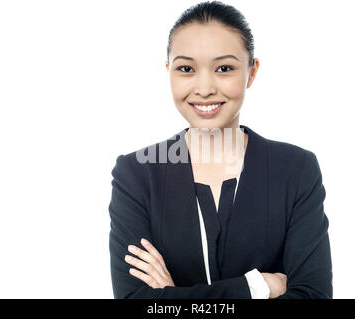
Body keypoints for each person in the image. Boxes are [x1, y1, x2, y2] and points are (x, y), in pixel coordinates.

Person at [108, 1, 333, 299]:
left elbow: (313, 296)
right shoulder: (136, 174)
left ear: (251, 73)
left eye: (224, 68)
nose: (204, 88)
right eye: (186, 68)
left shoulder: (295, 169)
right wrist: (256, 287)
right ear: (169, 72)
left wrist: (174, 296)